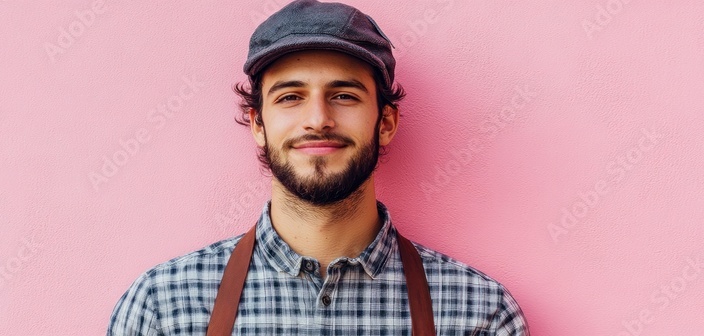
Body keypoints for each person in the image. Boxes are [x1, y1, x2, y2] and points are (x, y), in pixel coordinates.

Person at [108, 0, 529, 334]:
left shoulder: (478, 314)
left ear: (384, 123)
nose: (318, 119)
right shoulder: (163, 309)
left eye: (344, 95)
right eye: (290, 97)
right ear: (258, 123)